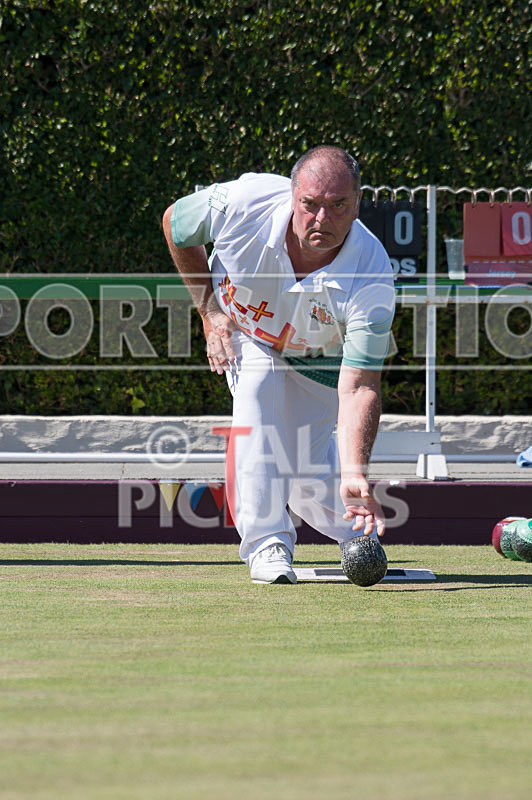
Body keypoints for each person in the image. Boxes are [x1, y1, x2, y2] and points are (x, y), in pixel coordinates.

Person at [163, 146, 395, 584]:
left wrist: (355, 471)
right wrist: (210, 313)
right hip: (246, 332)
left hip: (318, 356)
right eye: (309, 204)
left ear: (358, 203)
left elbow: (360, 386)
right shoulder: (242, 204)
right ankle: (267, 544)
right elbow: (176, 224)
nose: (322, 219)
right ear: (292, 196)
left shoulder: (372, 275)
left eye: (338, 205)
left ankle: (352, 529)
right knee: (258, 392)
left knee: (305, 464)